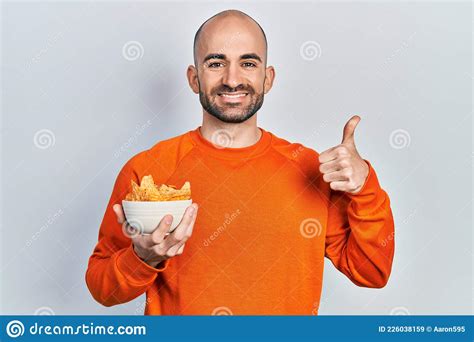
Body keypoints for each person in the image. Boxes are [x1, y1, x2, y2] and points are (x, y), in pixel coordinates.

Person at [85, 9, 395, 315]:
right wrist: (142, 257)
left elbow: (372, 272)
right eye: (216, 63)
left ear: (267, 78)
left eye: (248, 63)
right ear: (194, 79)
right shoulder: (148, 170)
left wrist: (365, 186)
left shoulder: (310, 170)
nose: (232, 80)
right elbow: (102, 290)